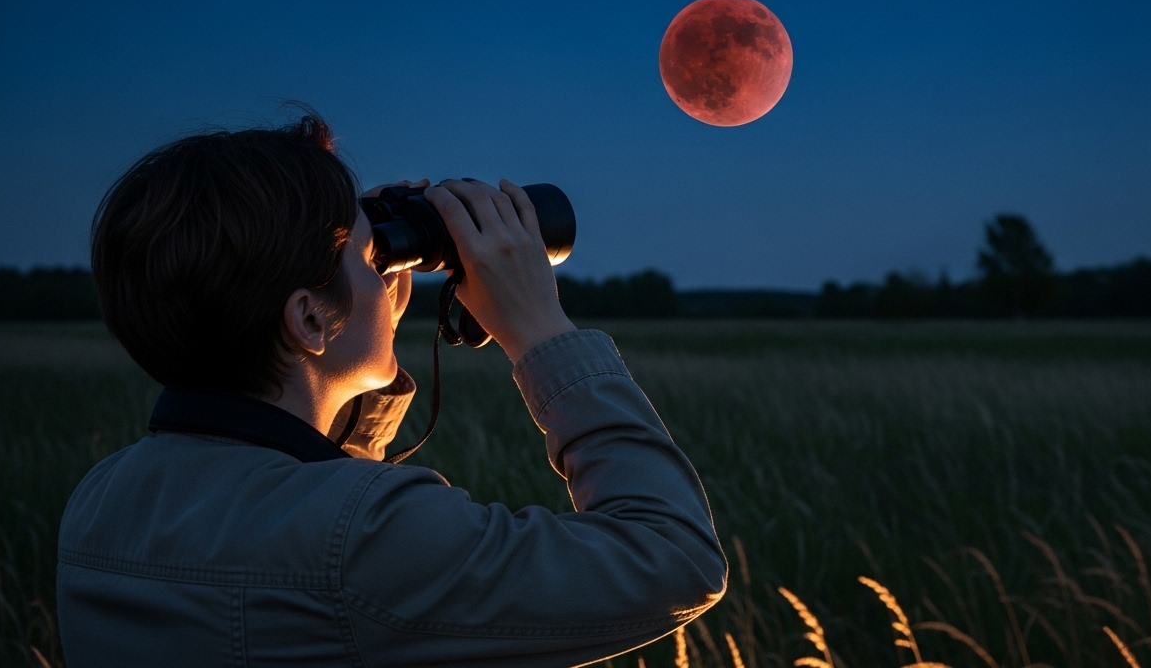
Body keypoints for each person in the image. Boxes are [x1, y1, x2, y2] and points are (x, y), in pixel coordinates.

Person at [57, 114, 727, 666]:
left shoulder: (104, 497)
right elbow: (674, 558)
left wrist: (363, 305)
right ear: (310, 318)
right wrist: (539, 328)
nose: (388, 274)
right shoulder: (360, 540)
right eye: (375, 259)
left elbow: (303, 511)